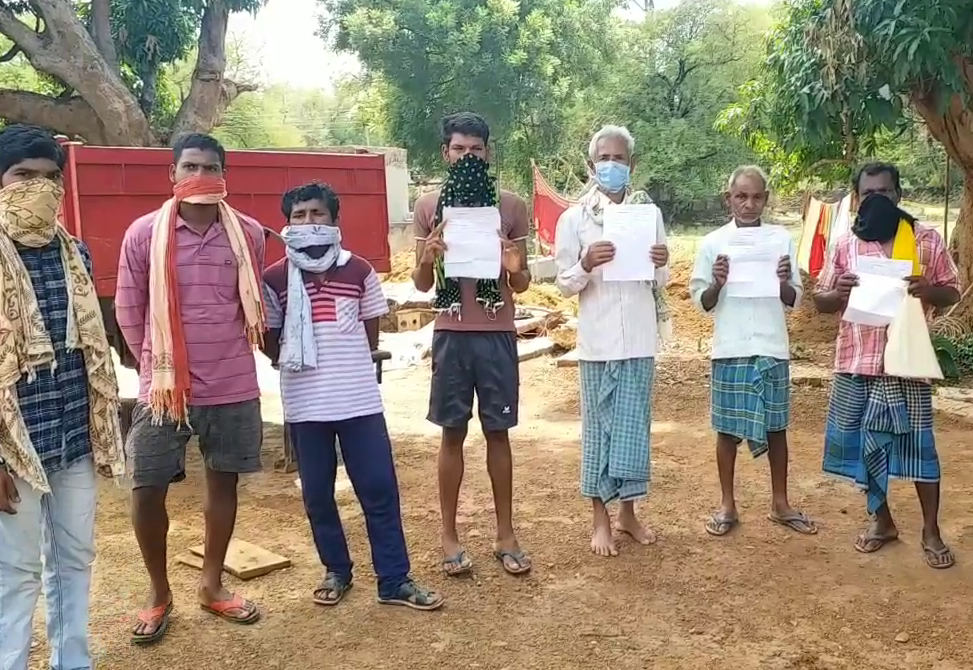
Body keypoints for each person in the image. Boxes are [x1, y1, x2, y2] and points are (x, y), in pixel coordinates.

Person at [0, 124, 124, 670]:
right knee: (16, 572)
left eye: (50, 178)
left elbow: (90, 353)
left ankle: (73, 661)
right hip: (11, 452)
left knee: (76, 560)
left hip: (74, 442)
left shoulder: (74, 254)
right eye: (23, 176)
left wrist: (102, 429)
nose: (39, 188)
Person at [261, 181, 443, 611]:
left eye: (317, 214)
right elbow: (271, 343)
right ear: (287, 225)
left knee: (379, 489)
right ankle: (336, 570)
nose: (309, 222)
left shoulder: (358, 271)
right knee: (318, 495)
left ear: (334, 221)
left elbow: (368, 335)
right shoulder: (273, 279)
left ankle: (394, 579)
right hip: (306, 407)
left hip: (359, 403)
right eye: (299, 215)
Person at [116, 133, 267, 643]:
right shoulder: (143, 234)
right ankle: (159, 594)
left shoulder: (247, 233)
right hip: (162, 389)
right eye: (189, 166)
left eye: (210, 166)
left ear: (225, 176)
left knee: (223, 483)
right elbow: (129, 311)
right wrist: (154, 368)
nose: (199, 175)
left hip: (231, 381)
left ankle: (211, 585)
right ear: (173, 175)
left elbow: (250, 305)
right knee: (146, 488)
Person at [812, 161, 960, 569]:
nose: (878, 198)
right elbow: (821, 301)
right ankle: (882, 521)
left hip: (906, 363)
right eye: (870, 193)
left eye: (886, 192)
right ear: (857, 198)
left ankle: (930, 530)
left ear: (899, 195)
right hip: (857, 360)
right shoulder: (845, 244)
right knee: (864, 446)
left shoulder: (925, 240)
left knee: (920, 448)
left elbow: (953, 292)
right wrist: (837, 292)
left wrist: (928, 290)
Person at [411, 111, 533, 576]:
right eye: (458, 149)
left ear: (488, 152)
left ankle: (505, 533)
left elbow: (519, 285)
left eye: (475, 149)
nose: (467, 156)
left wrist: (514, 263)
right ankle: (449, 535)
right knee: (452, 434)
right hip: (451, 334)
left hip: (497, 331)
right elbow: (422, 285)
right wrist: (428, 254)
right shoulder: (428, 207)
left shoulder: (510, 207)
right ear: (446, 153)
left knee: (498, 432)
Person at [554, 125, 669, 557]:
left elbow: (661, 278)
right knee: (599, 430)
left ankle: (629, 514)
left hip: (639, 338)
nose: (612, 165)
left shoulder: (648, 215)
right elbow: (565, 283)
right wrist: (585, 262)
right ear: (591, 165)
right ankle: (599, 519)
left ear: (631, 165)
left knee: (633, 430)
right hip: (598, 341)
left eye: (619, 159)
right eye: (604, 158)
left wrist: (661, 262)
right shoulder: (574, 218)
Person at [690, 166, 817, 537]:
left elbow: (795, 299)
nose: (749, 204)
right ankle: (727, 504)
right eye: (741, 197)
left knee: (777, 427)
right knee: (726, 430)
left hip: (771, 344)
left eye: (757, 196)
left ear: (766, 198)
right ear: (728, 199)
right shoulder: (713, 243)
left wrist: (781, 281)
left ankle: (780, 502)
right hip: (730, 346)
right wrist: (717, 282)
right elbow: (702, 302)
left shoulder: (780, 240)